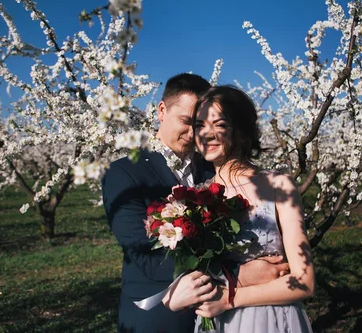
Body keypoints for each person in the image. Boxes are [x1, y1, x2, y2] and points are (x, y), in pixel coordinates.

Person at [102, 74, 290, 333]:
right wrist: (237, 275)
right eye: (186, 122)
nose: (194, 134)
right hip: (159, 317)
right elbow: (145, 253)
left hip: (226, 315)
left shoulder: (215, 166)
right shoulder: (124, 174)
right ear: (161, 110)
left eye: (200, 124)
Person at [189, 85, 315, 332]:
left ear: (242, 130)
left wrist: (229, 299)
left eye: (220, 124)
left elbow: (305, 281)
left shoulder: (278, 186)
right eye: (200, 125)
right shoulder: (194, 199)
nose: (208, 134)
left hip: (271, 318)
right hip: (217, 322)